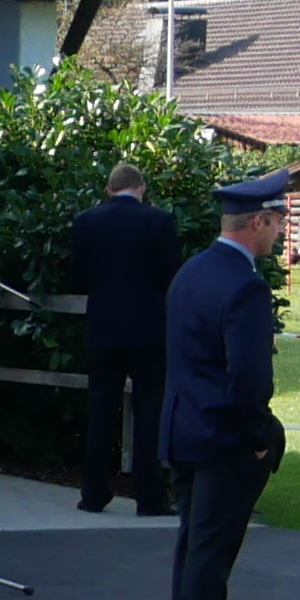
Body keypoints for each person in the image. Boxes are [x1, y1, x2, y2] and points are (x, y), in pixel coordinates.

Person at [164, 168, 293, 600]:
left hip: (185, 428)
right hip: (224, 438)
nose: (280, 233)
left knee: (193, 548)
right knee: (211, 554)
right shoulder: (246, 286)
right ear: (258, 221)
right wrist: (260, 434)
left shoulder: (191, 272)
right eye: (278, 222)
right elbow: (248, 377)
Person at [61, 160, 181, 514]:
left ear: (109, 190)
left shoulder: (86, 222)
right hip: (148, 329)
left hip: (103, 329)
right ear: (141, 188)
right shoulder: (160, 221)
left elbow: (77, 279)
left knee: (100, 410)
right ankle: (150, 495)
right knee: (149, 412)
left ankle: (94, 493)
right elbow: (172, 276)